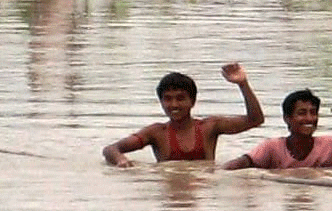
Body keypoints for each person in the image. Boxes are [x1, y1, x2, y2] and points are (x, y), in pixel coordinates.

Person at [103, 63, 264, 167]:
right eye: (167, 99)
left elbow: (256, 120)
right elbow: (111, 149)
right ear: (161, 102)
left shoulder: (210, 127)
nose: (174, 105)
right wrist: (121, 160)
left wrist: (243, 84)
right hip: (169, 194)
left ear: (192, 101)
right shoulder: (156, 133)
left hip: (203, 193)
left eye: (180, 98)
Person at [222, 89, 332, 171]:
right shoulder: (272, 148)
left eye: (313, 113)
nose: (309, 119)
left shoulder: (331, 145)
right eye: (302, 113)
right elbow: (243, 162)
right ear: (287, 118)